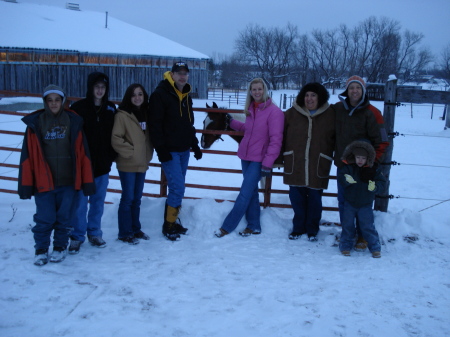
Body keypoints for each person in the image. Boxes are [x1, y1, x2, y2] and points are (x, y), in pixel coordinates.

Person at [18, 85, 95, 266]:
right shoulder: (36, 123)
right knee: (45, 218)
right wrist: (26, 184)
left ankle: (60, 247)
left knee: (64, 218)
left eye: (57, 100)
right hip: (44, 182)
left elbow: (83, 153)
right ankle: (41, 249)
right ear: (45, 102)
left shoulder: (72, 121)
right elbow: (27, 156)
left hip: (68, 181)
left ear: (63, 101)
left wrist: (87, 180)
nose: (54, 103)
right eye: (50, 100)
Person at [215, 78, 284, 238]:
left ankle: (227, 226)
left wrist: (268, 163)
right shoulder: (252, 109)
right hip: (246, 155)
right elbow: (249, 128)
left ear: (265, 90)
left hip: (260, 159)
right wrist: (231, 122)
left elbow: (276, 139)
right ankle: (254, 226)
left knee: (245, 192)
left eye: (259, 89)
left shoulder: (274, 112)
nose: (257, 92)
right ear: (250, 92)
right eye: (254, 90)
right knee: (252, 191)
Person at [333, 75, 389, 251]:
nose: (354, 91)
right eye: (351, 88)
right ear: (346, 90)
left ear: (363, 91)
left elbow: (382, 140)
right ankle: (347, 235)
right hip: (344, 166)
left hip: (364, 168)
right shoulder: (338, 109)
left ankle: (363, 236)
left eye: (358, 88)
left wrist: (372, 164)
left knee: (363, 204)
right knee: (344, 202)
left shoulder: (373, 112)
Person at [148, 61, 202, 241]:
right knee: (178, 187)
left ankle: (172, 221)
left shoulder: (186, 95)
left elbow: (188, 124)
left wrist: (194, 144)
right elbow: (154, 125)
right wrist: (160, 149)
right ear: (171, 75)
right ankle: (168, 225)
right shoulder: (160, 94)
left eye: (185, 73)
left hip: (183, 150)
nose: (182, 76)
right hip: (169, 150)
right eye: (178, 72)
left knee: (176, 188)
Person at [68, 72, 117, 254]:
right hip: (82, 165)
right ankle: (77, 235)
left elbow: (116, 134)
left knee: (98, 201)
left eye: (103, 87)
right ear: (90, 88)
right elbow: (71, 135)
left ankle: (94, 232)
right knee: (80, 202)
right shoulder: (78, 108)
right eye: (96, 87)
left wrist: (110, 156)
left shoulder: (111, 109)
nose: (99, 90)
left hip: (103, 165)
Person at [282, 83, 335, 241]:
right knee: (296, 198)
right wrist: (278, 159)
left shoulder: (330, 114)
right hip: (295, 161)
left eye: (313, 95)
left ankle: (312, 229)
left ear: (320, 97)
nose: (309, 98)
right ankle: (298, 228)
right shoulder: (291, 114)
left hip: (318, 163)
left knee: (314, 200)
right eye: (306, 95)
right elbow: (281, 136)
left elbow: (337, 138)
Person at [112, 83, 153, 245]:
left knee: (137, 199)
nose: (137, 98)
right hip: (127, 163)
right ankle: (124, 232)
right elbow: (116, 138)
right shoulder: (122, 115)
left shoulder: (146, 113)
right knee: (128, 198)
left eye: (140, 94)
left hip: (142, 162)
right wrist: (131, 152)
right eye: (134, 95)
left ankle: (136, 229)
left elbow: (148, 138)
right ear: (129, 97)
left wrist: (146, 153)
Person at [337, 140, 385, 258]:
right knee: (347, 225)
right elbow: (341, 176)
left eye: (363, 158)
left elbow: (382, 182)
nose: (360, 160)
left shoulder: (373, 169)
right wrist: (345, 179)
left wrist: (376, 187)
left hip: (365, 203)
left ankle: (374, 247)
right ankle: (345, 245)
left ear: (368, 158)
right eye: (358, 157)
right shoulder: (348, 167)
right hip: (350, 202)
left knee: (367, 225)